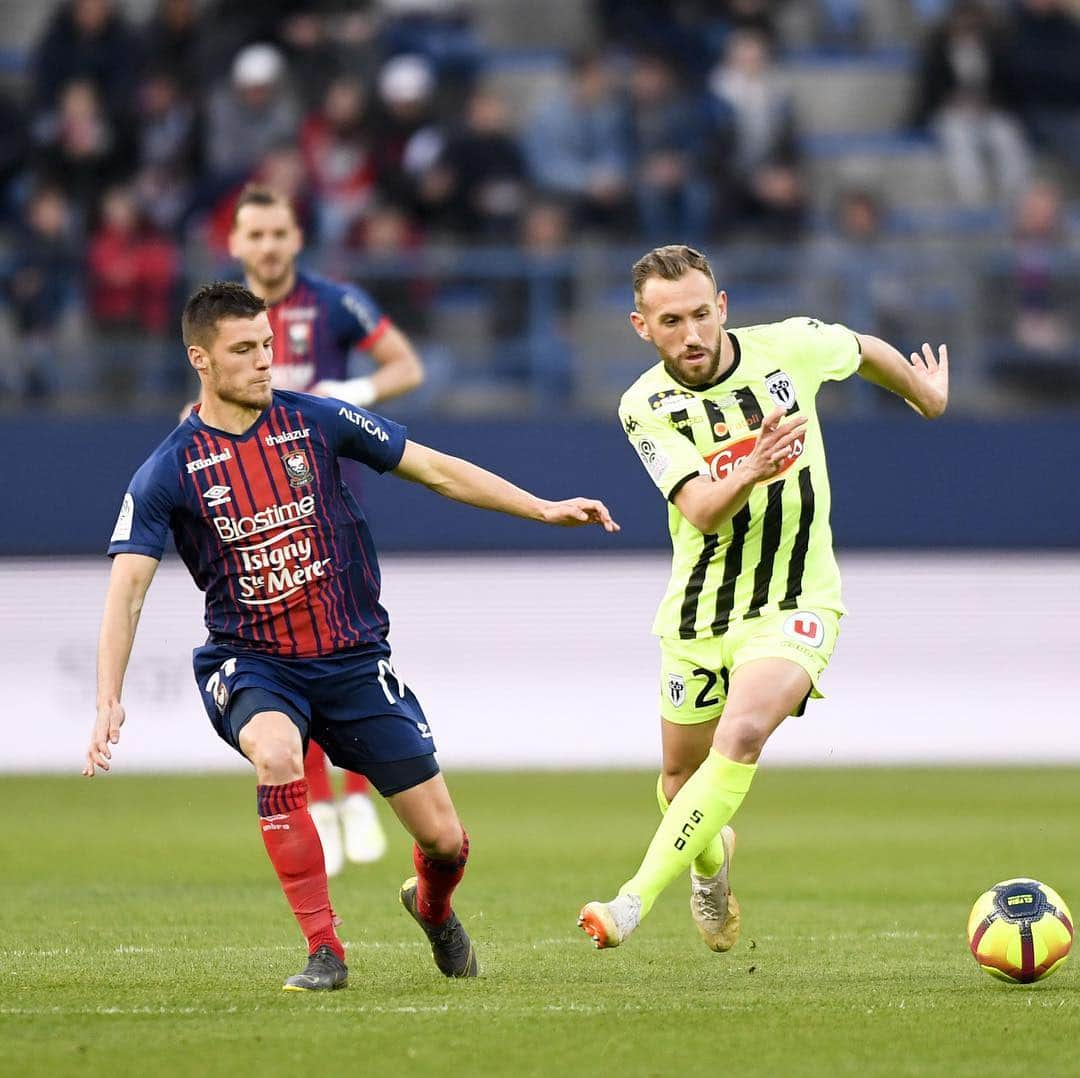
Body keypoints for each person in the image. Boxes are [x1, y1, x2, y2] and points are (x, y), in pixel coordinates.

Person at [85, 281, 618, 992]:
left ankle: (433, 910)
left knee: (444, 841)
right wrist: (107, 699)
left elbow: (435, 470)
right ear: (201, 360)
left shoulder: (321, 421)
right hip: (253, 663)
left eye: (268, 345)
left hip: (353, 659)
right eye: (244, 350)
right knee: (276, 754)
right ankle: (324, 950)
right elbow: (128, 589)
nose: (264, 361)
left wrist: (543, 508)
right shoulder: (169, 470)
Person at [578, 245, 947, 951]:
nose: (690, 334)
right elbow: (704, 511)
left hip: (797, 598)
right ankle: (709, 870)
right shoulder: (644, 406)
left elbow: (861, 348)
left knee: (740, 735)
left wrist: (923, 395)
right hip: (699, 610)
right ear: (641, 327)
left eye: (698, 314)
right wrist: (752, 467)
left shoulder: (789, 349)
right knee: (679, 779)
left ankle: (628, 904)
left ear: (722, 307)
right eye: (669, 321)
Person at [212, 183, 428, 874]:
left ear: (296, 238)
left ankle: (358, 792)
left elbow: (407, 364)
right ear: (236, 243)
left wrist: (357, 393)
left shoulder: (335, 301)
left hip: (326, 505)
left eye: (280, 233)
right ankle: (321, 803)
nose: (269, 246)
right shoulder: (218, 318)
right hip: (252, 510)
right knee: (280, 653)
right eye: (257, 235)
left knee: (343, 643)